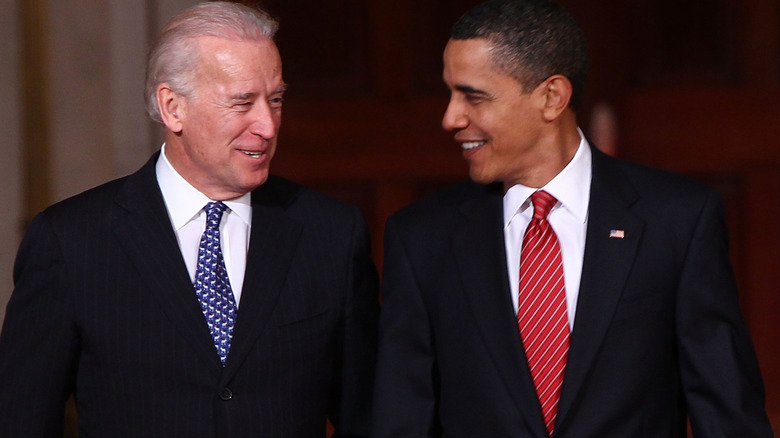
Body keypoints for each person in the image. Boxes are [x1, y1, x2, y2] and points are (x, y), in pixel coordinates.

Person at [371, 0, 773, 436]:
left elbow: (727, 411)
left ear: (551, 97)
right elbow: (402, 420)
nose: (451, 117)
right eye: (450, 94)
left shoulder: (676, 221)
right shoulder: (422, 239)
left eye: (473, 96)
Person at [0, 2, 378, 437]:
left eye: (275, 100)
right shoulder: (71, 241)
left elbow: (368, 416)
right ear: (172, 107)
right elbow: (21, 419)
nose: (268, 125)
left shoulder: (330, 234)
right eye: (242, 102)